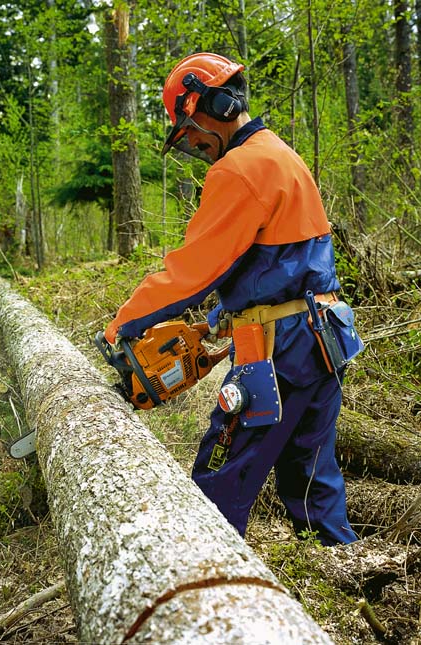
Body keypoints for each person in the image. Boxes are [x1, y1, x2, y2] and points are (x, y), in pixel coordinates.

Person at [103, 52, 359, 546]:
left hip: (280, 351)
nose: (195, 144)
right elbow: (284, 257)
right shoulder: (280, 154)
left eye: (192, 130)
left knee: (218, 478)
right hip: (323, 335)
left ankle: (205, 589)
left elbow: (190, 273)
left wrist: (124, 324)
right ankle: (345, 569)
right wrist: (227, 315)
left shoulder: (238, 170)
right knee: (310, 479)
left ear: (213, 106)